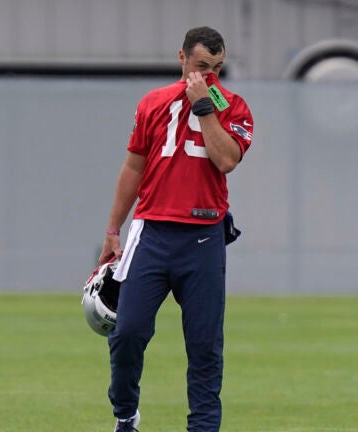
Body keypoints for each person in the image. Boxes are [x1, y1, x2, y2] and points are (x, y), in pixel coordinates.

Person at [98, 26, 253, 432]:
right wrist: (113, 229)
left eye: (217, 68)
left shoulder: (231, 106)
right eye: (202, 66)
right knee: (127, 332)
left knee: (204, 346)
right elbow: (134, 167)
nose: (209, 76)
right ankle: (125, 413)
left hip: (203, 237)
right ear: (181, 58)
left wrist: (204, 106)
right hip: (151, 233)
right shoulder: (153, 102)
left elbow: (226, 160)